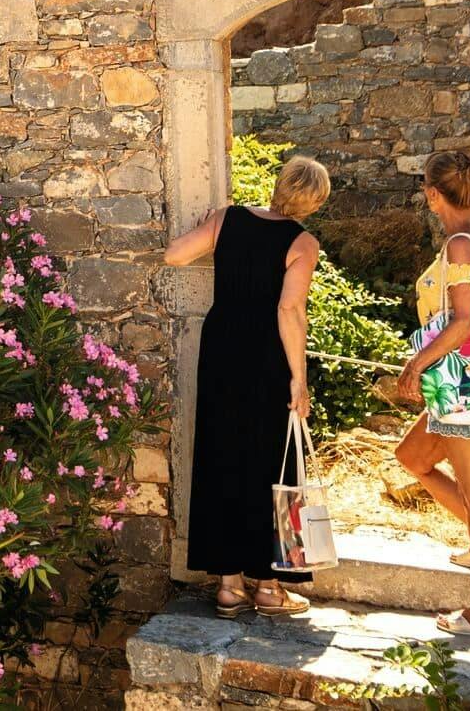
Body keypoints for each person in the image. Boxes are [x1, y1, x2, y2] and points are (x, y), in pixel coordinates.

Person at [165, 154, 331, 618]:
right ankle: (270, 587)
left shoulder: (228, 219)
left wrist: (212, 228)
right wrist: (299, 379)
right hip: (266, 358)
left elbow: (174, 254)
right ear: (313, 201)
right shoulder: (302, 241)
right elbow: (289, 311)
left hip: (220, 352)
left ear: (280, 184)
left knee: (221, 454)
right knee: (271, 463)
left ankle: (229, 586)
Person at [388, 150, 470, 641]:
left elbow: (466, 321)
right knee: (412, 457)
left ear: (432, 194)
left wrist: (416, 363)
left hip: (467, 390)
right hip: (462, 388)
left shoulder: (462, 244)